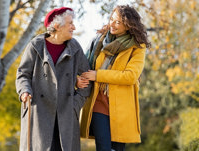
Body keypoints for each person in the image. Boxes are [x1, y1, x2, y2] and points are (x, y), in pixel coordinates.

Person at [16, 7, 91, 151]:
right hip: (39, 113)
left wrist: (75, 104)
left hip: (66, 114)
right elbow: (23, 74)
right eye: (70, 23)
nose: (74, 27)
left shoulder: (75, 47)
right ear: (57, 26)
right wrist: (24, 90)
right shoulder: (35, 46)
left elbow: (87, 79)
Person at [78, 5, 151, 151]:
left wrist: (98, 75)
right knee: (103, 147)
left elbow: (130, 76)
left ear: (129, 25)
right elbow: (83, 65)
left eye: (117, 22)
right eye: (112, 19)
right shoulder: (99, 41)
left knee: (117, 149)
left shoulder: (137, 47)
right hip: (98, 101)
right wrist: (78, 78)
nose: (112, 24)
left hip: (122, 106)